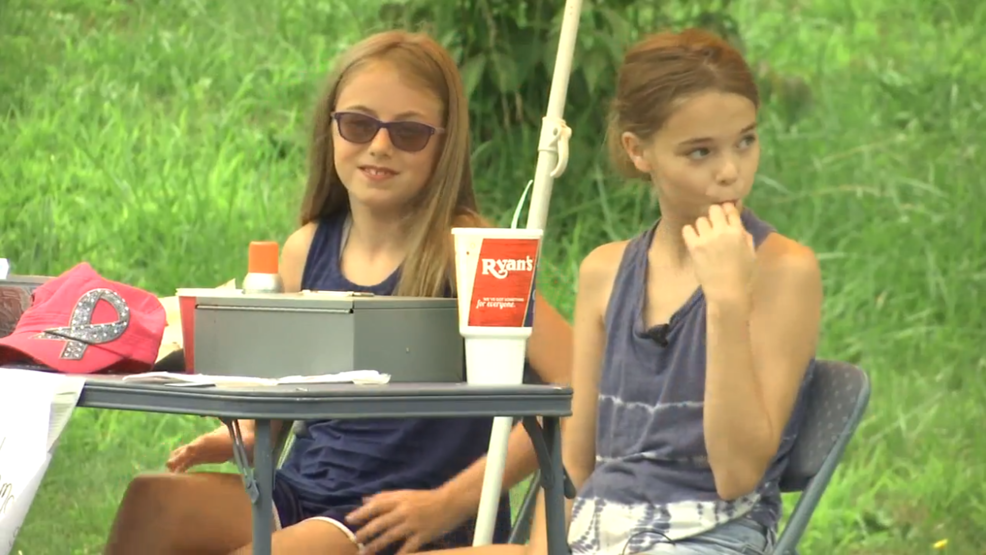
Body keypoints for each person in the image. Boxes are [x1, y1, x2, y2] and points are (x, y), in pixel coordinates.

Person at [103, 30, 573, 555]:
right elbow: (291, 379)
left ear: (445, 144)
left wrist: (451, 501)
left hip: (393, 514)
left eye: (409, 132)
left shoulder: (466, 250)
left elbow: (580, 384)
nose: (380, 146)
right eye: (358, 124)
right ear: (330, 128)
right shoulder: (307, 248)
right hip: (304, 490)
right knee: (152, 502)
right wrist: (255, 433)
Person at [421, 27, 822, 555]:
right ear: (639, 151)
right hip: (598, 531)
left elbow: (736, 475)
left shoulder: (783, 271)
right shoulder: (606, 272)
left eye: (745, 141)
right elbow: (576, 459)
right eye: (700, 152)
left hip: (709, 535)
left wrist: (726, 303)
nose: (731, 172)